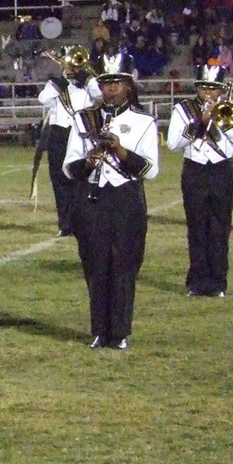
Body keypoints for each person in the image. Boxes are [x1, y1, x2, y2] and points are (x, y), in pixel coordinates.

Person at [64, 52, 159, 349]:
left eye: (117, 83)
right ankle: (99, 330)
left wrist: (120, 151)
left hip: (126, 198)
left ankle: (119, 331)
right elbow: (68, 167)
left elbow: (151, 169)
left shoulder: (144, 121)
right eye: (106, 83)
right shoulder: (83, 119)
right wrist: (89, 162)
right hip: (92, 198)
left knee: (124, 264)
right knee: (94, 264)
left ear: (128, 86)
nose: (111, 89)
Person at [168, 64, 233, 297]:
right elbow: (174, 143)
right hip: (195, 171)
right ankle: (196, 281)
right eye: (204, 87)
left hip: (222, 171)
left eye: (213, 88)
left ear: (221, 90)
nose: (207, 93)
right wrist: (199, 123)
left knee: (220, 227)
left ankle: (217, 282)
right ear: (197, 87)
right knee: (196, 227)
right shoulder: (183, 109)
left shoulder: (231, 108)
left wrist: (222, 120)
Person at [38, 48, 102, 236]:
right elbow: (43, 99)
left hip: (82, 135)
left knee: (82, 179)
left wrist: (87, 78)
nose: (74, 66)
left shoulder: (88, 84)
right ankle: (65, 225)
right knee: (60, 179)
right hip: (59, 135)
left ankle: (84, 221)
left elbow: (99, 95)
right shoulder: (58, 84)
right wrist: (62, 82)